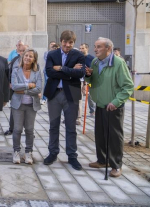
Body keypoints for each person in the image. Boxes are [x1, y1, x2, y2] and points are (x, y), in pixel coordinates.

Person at [85, 38, 133, 178]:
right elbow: (92, 81)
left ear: (108, 48)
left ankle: (116, 165)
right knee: (100, 134)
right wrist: (88, 76)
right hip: (100, 104)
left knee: (114, 136)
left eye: (98, 47)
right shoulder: (94, 62)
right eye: (95, 46)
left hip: (113, 106)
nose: (95, 49)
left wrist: (116, 101)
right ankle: (102, 160)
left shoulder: (118, 63)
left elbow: (128, 86)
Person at [43, 30, 85, 170]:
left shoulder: (78, 55)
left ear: (74, 43)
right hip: (54, 93)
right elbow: (49, 72)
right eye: (65, 42)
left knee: (71, 127)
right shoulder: (52, 54)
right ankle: (53, 153)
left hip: (71, 95)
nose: (67, 45)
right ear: (61, 41)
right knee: (53, 126)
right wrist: (69, 71)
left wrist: (61, 69)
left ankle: (72, 156)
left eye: (70, 43)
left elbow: (80, 73)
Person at [11, 48, 42, 165]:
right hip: (18, 105)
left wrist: (23, 91)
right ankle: (16, 151)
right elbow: (14, 86)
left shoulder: (37, 72)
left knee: (29, 130)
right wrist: (29, 85)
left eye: (31, 56)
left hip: (31, 105)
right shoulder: (16, 70)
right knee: (17, 129)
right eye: (26, 55)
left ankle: (28, 152)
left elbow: (38, 88)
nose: (28, 58)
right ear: (23, 57)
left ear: (34, 59)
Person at [4, 44, 27, 136]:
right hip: (15, 88)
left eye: (24, 50)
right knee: (14, 108)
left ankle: (28, 130)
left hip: (27, 89)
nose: (22, 52)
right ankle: (11, 129)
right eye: (21, 51)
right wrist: (9, 82)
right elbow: (8, 71)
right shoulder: (14, 60)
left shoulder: (32, 61)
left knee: (27, 110)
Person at [79, 43, 95, 117]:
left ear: (87, 49)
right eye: (80, 48)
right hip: (80, 79)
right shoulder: (78, 57)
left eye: (83, 48)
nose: (81, 50)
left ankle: (92, 110)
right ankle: (79, 113)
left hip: (89, 79)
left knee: (89, 96)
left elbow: (94, 69)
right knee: (79, 97)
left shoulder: (91, 58)